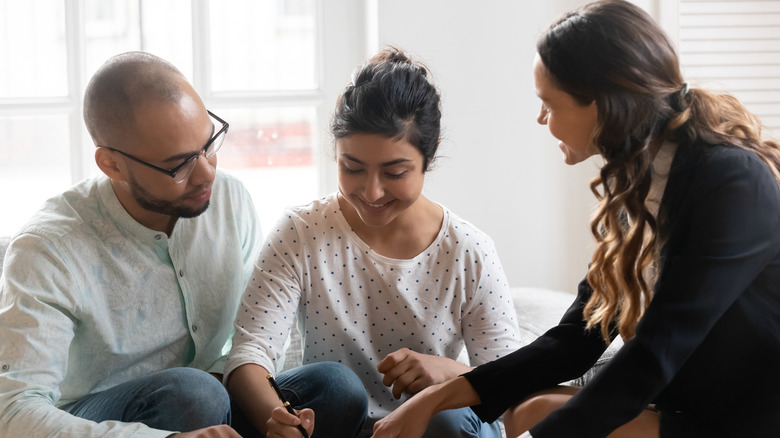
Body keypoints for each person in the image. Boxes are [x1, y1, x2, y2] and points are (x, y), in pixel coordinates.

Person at [369, 1, 780, 437]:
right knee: (529, 407)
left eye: (548, 102)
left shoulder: (731, 180)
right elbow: (574, 341)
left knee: (536, 421)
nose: (541, 118)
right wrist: (438, 396)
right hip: (687, 408)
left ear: (602, 103)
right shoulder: (634, 190)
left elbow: (658, 351)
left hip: (747, 422)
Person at [224, 47, 522, 438]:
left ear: (428, 157)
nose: (372, 191)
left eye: (394, 172)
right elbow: (249, 353)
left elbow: (517, 390)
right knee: (336, 385)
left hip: (433, 430)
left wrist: (449, 374)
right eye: (352, 168)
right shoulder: (301, 231)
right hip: (336, 424)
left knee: (445, 412)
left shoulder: (468, 250)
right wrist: (273, 418)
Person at [0, 51, 262, 437]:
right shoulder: (47, 249)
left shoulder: (230, 200)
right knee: (196, 393)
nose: (208, 172)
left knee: (332, 387)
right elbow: (13, 412)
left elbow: (253, 334)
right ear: (112, 165)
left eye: (209, 144)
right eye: (180, 164)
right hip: (100, 415)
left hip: (211, 399)